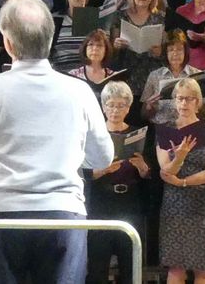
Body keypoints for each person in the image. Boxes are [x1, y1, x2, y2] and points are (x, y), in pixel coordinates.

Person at [0, 0, 114, 283]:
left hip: (2, 217)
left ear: (8, 43)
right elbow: (102, 158)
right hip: (62, 215)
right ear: (51, 40)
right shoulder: (79, 91)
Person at [157, 77, 205, 284]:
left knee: (203, 268)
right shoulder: (165, 129)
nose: (184, 103)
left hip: (202, 203)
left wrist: (184, 182)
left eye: (189, 99)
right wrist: (180, 156)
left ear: (197, 102)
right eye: (180, 98)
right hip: (175, 204)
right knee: (176, 268)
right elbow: (166, 171)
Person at [87, 81, 152, 284]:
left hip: (130, 203)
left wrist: (143, 167)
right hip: (101, 202)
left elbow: (149, 176)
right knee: (98, 265)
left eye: (121, 105)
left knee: (130, 264)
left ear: (129, 107)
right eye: (111, 104)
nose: (115, 110)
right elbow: (84, 173)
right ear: (104, 106)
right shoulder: (94, 135)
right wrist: (104, 170)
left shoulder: (138, 134)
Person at [141, 30, 205, 125]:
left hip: (188, 127)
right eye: (171, 49)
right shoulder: (155, 75)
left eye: (179, 49)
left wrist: (193, 104)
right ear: (166, 53)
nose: (175, 53)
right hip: (161, 127)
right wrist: (149, 106)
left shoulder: (197, 74)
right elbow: (143, 115)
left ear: (186, 52)